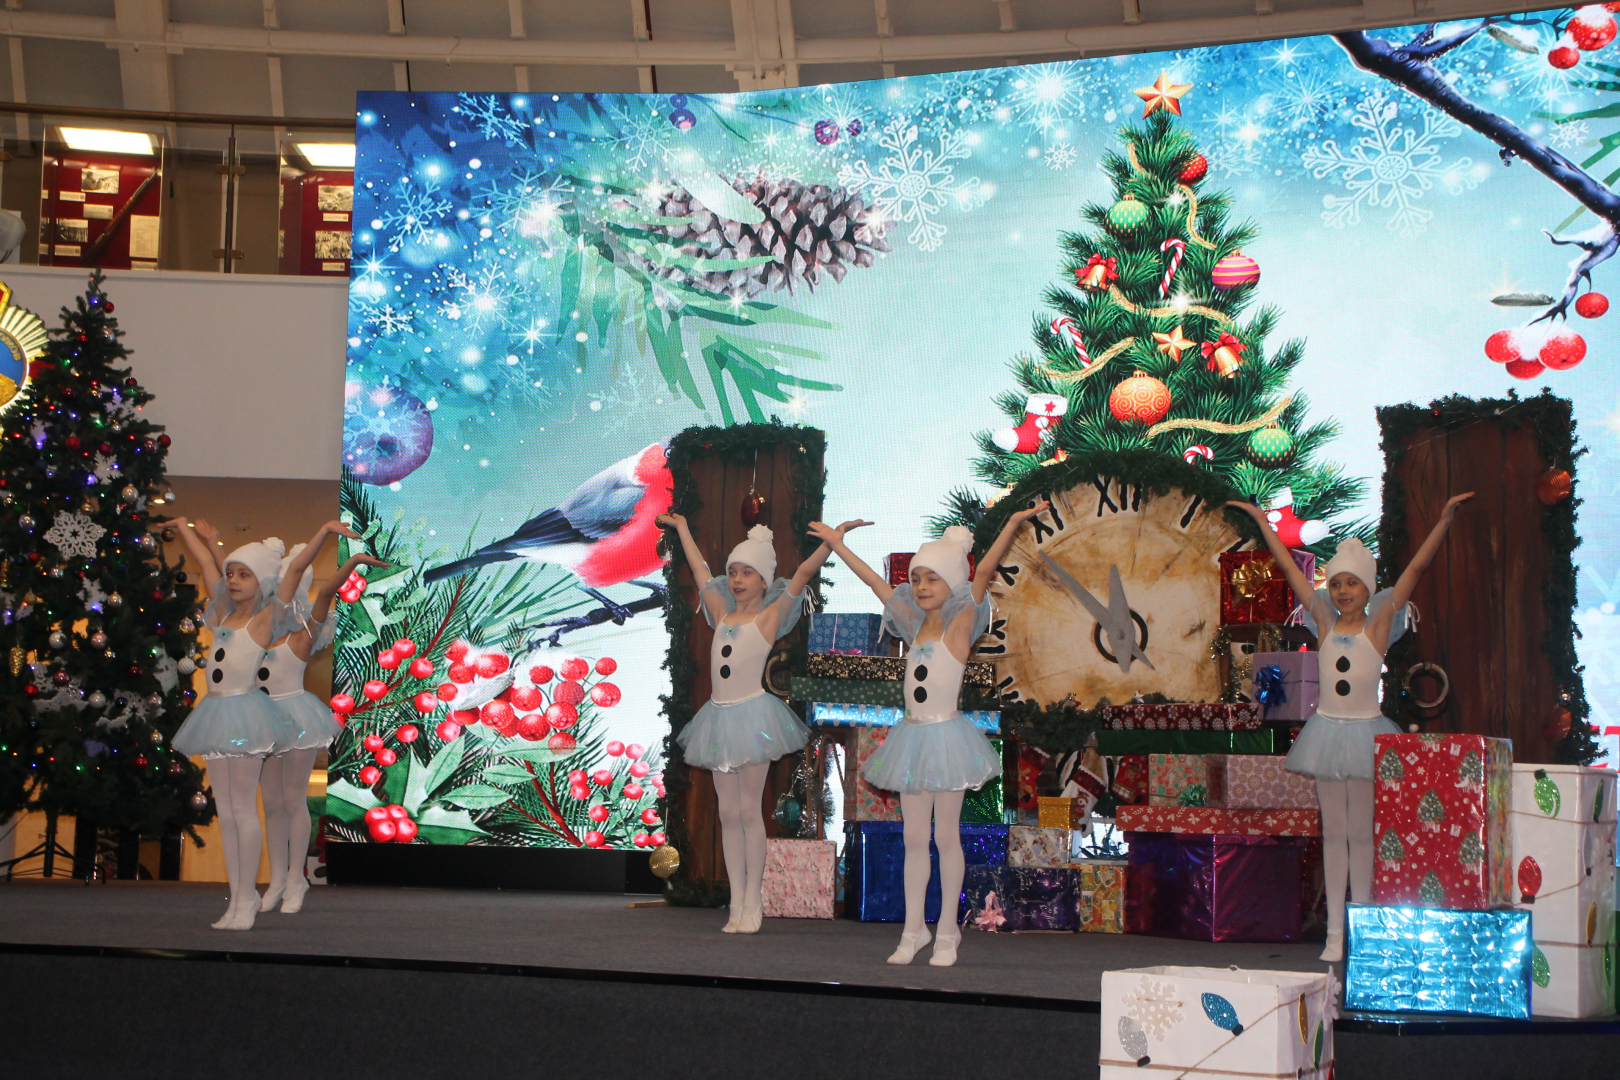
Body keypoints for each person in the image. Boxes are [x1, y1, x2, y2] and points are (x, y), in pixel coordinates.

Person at [1227, 492, 1473, 961]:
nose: (1342, 591)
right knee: (1333, 833)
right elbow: (1291, 571)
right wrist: (1263, 522)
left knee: (1361, 834)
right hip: (1326, 734)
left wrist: (1443, 520)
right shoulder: (1323, 620)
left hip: (1365, 734)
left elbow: (1415, 571)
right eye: (1336, 583)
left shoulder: (1378, 626)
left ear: (1368, 590)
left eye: (1353, 584)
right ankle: (1335, 935)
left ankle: (1362, 929)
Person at [813, 503, 1048, 967]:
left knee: (946, 838)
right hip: (913, 737)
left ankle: (947, 933)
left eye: (931, 579)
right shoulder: (913, 625)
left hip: (947, 738)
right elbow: (876, 583)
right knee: (914, 838)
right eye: (916, 579)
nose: (920, 587)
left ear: (953, 584)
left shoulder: (961, 625)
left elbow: (984, 572)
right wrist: (838, 546)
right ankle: (913, 930)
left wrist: (1013, 524)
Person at [658, 515, 847, 934]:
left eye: (747, 572)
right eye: (733, 572)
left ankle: (754, 900)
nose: (737, 580)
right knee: (728, 812)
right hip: (718, 719)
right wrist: (684, 528)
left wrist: (831, 542)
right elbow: (701, 570)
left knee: (748, 810)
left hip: (754, 719)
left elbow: (802, 574)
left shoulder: (768, 617)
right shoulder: (721, 612)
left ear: (764, 580)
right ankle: (736, 900)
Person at [169, 518, 298, 930]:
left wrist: (324, 534)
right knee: (226, 813)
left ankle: (247, 902)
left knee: (242, 810)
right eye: (232, 575)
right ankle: (239, 897)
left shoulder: (264, 619)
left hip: (245, 716)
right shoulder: (223, 613)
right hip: (215, 714)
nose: (233, 580)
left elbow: (293, 574)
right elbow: (208, 566)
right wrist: (196, 534)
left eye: (245, 575)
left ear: (262, 583)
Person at [257, 523, 383, 914]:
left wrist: (354, 559)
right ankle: (277, 880)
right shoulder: (252, 638)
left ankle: (297, 880)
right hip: (260, 724)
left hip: (296, 722)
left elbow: (327, 592)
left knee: (293, 801)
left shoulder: (302, 636)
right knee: (271, 805)